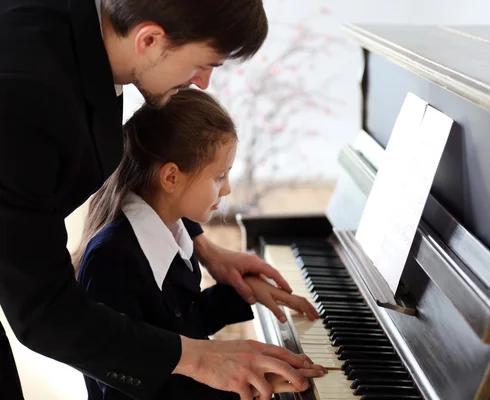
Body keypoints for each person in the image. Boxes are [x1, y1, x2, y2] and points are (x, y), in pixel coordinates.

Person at [0, 0, 320, 399]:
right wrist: (206, 360)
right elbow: (43, 312)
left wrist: (203, 248)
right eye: (204, 64)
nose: (203, 82)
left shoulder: (89, 41)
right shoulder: (23, 95)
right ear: (148, 39)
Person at [74, 89, 324, 399]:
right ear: (171, 178)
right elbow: (129, 390)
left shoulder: (174, 234)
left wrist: (243, 293)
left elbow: (183, 327)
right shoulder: (112, 262)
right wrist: (246, 384)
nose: (227, 189)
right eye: (219, 176)